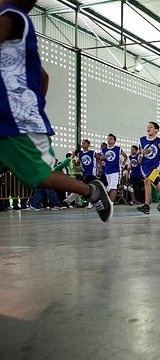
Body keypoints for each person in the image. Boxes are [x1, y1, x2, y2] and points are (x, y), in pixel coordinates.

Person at [0, 1, 112, 220]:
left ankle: (92, 191)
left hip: (18, 124)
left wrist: (31, 111)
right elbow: (43, 77)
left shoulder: (10, 16)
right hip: (10, 120)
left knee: (39, 176)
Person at [136, 121, 160, 214]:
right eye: (148, 127)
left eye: (151, 127)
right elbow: (138, 152)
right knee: (159, 187)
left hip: (157, 165)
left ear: (156, 130)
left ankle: (146, 206)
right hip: (146, 165)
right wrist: (141, 151)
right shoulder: (141, 140)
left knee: (147, 181)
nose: (148, 128)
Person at [97, 133, 128, 203]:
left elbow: (126, 156)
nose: (109, 140)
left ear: (114, 141)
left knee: (113, 187)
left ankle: (110, 204)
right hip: (107, 171)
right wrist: (100, 168)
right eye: (108, 138)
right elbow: (101, 159)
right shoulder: (104, 150)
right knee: (109, 188)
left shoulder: (118, 149)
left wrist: (124, 162)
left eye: (111, 139)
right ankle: (107, 201)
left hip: (115, 170)